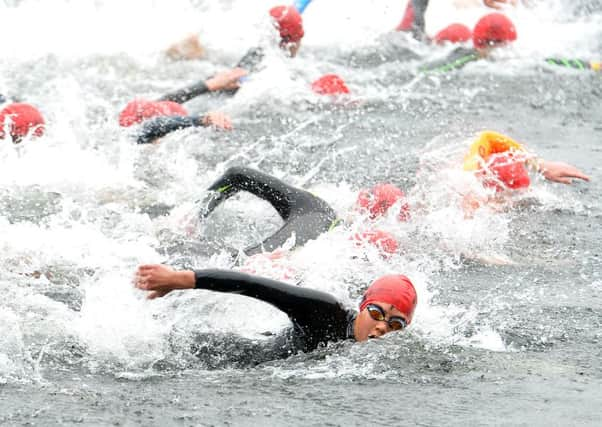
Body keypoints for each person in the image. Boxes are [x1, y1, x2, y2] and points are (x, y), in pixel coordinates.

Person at [135, 264, 417, 353]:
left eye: (396, 324)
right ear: (363, 306)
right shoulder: (324, 311)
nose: (382, 327)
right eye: (378, 314)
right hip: (232, 358)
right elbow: (255, 285)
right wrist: (179, 279)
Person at [195, 166, 407, 258]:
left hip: (234, 264)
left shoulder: (316, 208)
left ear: (362, 201)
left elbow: (237, 174)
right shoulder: (371, 245)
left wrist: (193, 217)